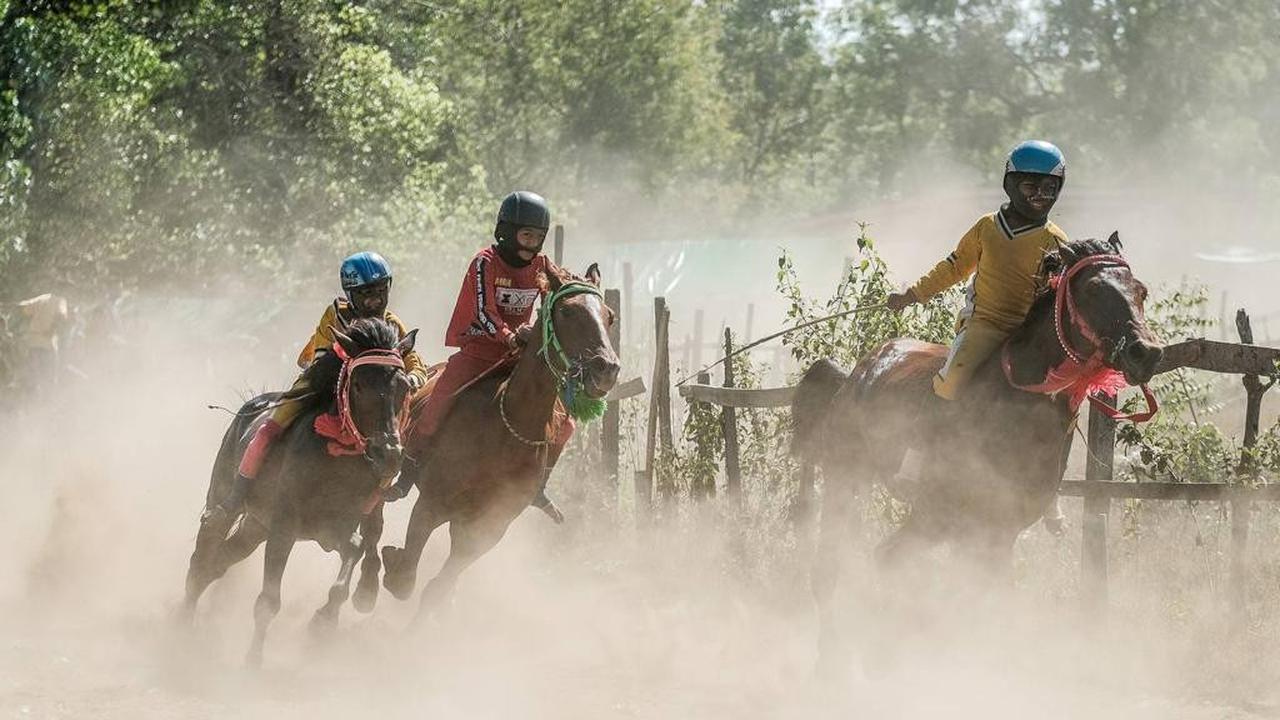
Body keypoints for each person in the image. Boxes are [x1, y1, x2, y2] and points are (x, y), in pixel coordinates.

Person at [201, 251, 428, 525]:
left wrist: (414, 379)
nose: (376, 299)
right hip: (320, 387)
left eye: (381, 290)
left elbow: (414, 361)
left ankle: (371, 509)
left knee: (394, 444)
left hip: (366, 400)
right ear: (351, 293)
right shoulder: (334, 315)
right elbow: (322, 362)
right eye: (367, 293)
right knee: (269, 428)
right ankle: (236, 497)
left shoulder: (392, 323)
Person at [386, 191, 569, 523]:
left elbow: (562, 290)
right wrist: (510, 335)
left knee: (566, 423)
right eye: (526, 235)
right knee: (436, 405)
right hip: (480, 350)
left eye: (538, 237)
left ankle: (537, 486)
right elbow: (484, 311)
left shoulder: (542, 265)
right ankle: (407, 476)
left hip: (521, 356)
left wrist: (581, 292)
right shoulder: (484, 262)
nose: (532, 243)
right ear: (507, 230)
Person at [887, 140, 1070, 401]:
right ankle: (937, 430)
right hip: (986, 324)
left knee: (1060, 395)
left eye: (1049, 188)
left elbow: (1060, 296)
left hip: (1029, 332)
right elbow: (954, 267)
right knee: (952, 380)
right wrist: (913, 294)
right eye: (1030, 186)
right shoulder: (987, 227)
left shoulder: (1056, 240)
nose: (1040, 195)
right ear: (1010, 185)